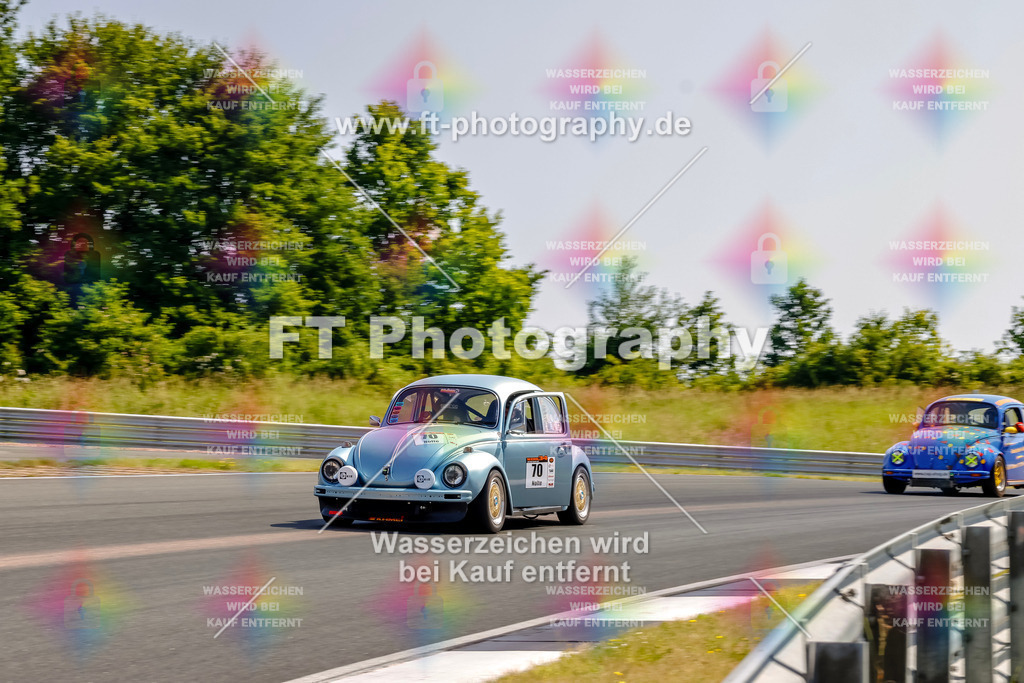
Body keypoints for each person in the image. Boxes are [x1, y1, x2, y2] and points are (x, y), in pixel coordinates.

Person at [63, 232, 101, 304]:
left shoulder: (93, 260)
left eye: (85, 244)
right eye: (80, 244)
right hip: (75, 288)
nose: (82, 246)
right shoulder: (71, 259)